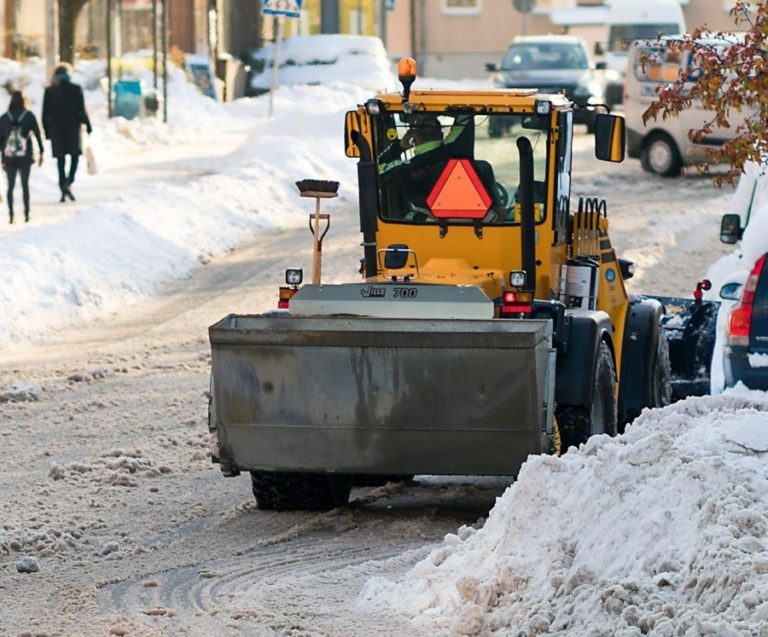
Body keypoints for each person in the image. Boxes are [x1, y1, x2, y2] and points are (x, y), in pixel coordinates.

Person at [42, 63, 92, 203]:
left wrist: (47, 133)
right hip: (73, 129)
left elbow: (45, 114)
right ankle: (69, 182)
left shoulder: (50, 91)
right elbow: (81, 110)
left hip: (56, 130)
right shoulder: (75, 89)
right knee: (75, 156)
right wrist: (88, 125)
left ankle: (62, 184)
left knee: (60, 159)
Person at [0, 91, 44, 224]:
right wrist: (41, 151)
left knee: (10, 186)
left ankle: (11, 214)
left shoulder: (4, 118)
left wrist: (2, 156)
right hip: (25, 156)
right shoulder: (29, 116)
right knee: (25, 185)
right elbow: (37, 134)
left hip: (9, 157)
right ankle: (26, 212)